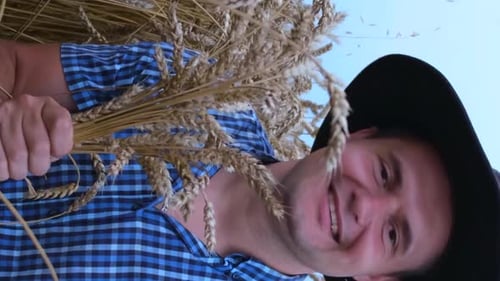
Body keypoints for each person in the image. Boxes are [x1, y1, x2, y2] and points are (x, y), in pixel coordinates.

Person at [0, 40, 497, 281]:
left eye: (394, 235)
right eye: (385, 172)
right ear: (357, 134)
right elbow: (16, 65)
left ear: (376, 279)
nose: (365, 206)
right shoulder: (195, 88)